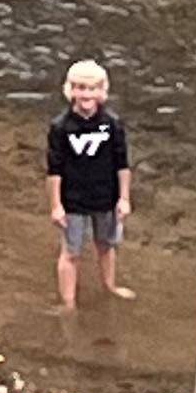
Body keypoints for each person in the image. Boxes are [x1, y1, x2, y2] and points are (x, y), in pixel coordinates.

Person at [45, 59, 131, 307]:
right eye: (80, 88)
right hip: (73, 200)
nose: (86, 95)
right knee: (71, 251)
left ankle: (110, 286)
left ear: (102, 92)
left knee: (106, 245)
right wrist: (56, 205)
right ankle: (68, 302)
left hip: (106, 196)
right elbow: (54, 170)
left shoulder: (112, 124)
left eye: (92, 89)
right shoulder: (61, 127)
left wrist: (124, 198)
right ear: (70, 90)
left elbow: (122, 164)